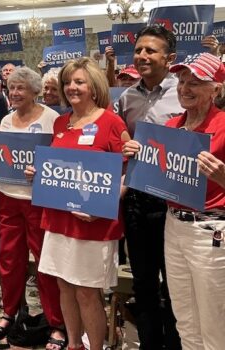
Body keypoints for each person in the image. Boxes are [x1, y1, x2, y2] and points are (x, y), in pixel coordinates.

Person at [26, 57, 130, 350]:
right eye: (68, 82)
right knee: (63, 285)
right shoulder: (61, 122)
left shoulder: (111, 121)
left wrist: (104, 203)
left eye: (79, 82)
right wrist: (40, 174)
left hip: (93, 224)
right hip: (58, 219)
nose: (72, 87)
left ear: (94, 87)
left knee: (87, 292)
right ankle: (74, 344)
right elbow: (60, 168)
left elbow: (130, 172)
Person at [123, 52, 225, 349]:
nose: (185, 88)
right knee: (184, 317)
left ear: (215, 88)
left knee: (214, 318)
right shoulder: (170, 129)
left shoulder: (222, 125)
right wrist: (136, 155)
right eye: (182, 81)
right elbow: (156, 178)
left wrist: (222, 176)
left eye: (195, 83)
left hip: (210, 230)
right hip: (174, 225)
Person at [114, 25, 183, 350]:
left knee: (175, 284)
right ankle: (150, 342)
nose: (141, 56)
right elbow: (120, 145)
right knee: (143, 281)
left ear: (170, 58)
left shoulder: (183, 92)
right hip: (139, 200)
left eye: (150, 51)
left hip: (175, 201)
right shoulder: (126, 97)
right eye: (138, 50)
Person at [0, 67, 65, 349]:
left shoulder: (51, 118)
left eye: (21, 88)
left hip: (39, 200)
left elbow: (60, 159)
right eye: (11, 87)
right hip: (8, 198)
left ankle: (56, 322)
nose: (15, 93)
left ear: (35, 91)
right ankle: (10, 312)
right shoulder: (6, 121)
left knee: (45, 263)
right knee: (8, 260)